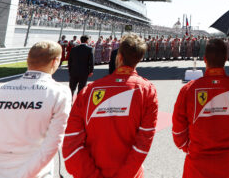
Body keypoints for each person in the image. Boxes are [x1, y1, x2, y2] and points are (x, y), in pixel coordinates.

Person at [0, 41, 71, 177]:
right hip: (36, 173)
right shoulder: (60, 93)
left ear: (27, 60)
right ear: (55, 61)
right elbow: (53, 143)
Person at [62, 33, 158, 178]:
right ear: (138, 59)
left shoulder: (88, 91)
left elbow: (71, 146)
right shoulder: (147, 91)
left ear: (118, 57)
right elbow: (143, 143)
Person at [172, 39, 229, 177]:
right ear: (226, 59)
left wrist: (189, 147)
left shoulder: (189, 89)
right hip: (226, 162)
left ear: (204, 59)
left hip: (196, 162)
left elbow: (178, 129)